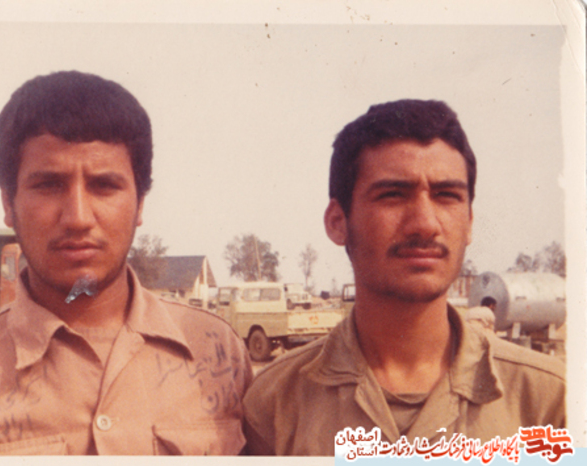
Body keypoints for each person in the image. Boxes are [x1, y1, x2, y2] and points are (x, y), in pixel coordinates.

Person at [0, 71, 252, 456]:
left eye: (104, 186)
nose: (78, 217)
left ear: (140, 204)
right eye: (48, 185)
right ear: (8, 203)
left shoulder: (218, 350)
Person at [242, 99, 565, 455]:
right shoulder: (275, 404)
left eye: (446, 196)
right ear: (338, 222)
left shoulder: (549, 402)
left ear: (470, 222)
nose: (425, 223)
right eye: (393, 195)